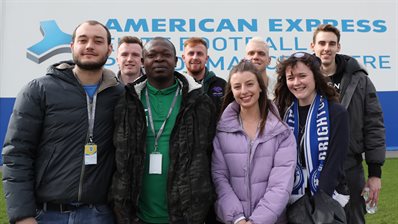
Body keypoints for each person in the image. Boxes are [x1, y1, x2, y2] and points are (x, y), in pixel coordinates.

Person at [2, 20, 123, 224]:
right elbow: (17, 153)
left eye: (98, 40)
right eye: (82, 40)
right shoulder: (39, 90)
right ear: (72, 46)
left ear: (110, 49)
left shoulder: (120, 95)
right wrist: (23, 215)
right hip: (46, 214)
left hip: (100, 215)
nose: (89, 46)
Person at [110, 37, 217, 224]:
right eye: (152, 55)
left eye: (166, 55)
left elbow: (209, 153)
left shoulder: (199, 102)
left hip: (186, 215)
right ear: (143, 62)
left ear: (176, 61)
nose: (159, 59)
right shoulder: (127, 101)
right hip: (136, 215)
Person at [310, 24, 386, 224]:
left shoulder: (359, 79)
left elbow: (374, 125)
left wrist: (375, 173)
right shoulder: (303, 79)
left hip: (350, 167)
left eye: (331, 43)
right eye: (322, 43)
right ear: (313, 46)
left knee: (353, 220)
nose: (326, 48)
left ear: (338, 47)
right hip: (311, 166)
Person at [212, 60, 297, 224]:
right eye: (237, 87)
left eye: (249, 84)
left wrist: (257, 221)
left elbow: (281, 185)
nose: (243, 91)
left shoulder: (282, 133)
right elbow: (219, 179)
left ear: (260, 87)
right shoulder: (222, 131)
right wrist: (238, 218)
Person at [274, 52, 350, 220]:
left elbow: (334, 163)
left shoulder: (336, 113)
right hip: (290, 202)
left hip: (327, 201)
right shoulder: (281, 114)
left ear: (315, 77)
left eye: (302, 76)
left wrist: (317, 207)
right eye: (291, 77)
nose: (296, 82)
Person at [182, 37, 226, 116]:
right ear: (184, 58)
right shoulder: (178, 85)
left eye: (199, 54)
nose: (195, 57)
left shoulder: (222, 85)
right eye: (191, 53)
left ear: (206, 58)